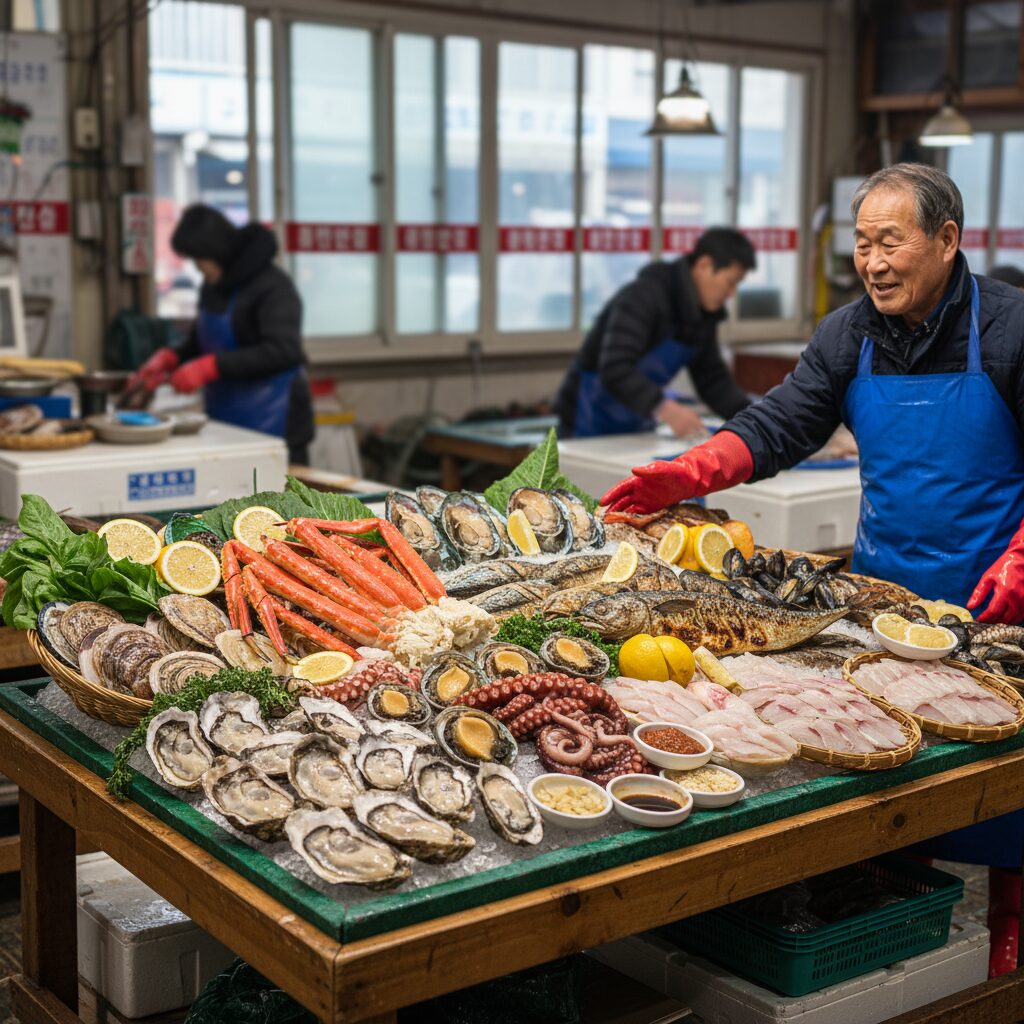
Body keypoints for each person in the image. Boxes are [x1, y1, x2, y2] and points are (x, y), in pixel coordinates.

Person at [602, 163, 1024, 976]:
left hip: (998, 599)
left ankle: (1008, 912)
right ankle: (906, 908)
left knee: (1001, 768)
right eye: (862, 244)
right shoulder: (850, 334)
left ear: (947, 241)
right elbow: (781, 421)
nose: (873, 262)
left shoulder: (1010, 327)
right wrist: (690, 472)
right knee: (894, 768)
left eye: (890, 242)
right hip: (885, 599)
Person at [130, 205, 314, 464]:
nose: (197, 267)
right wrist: (172, 355)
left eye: (199, 259)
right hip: (227, 425)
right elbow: (201, 340)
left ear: (218, 250)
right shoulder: (214, 285)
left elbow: (284, 350)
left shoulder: (273, 286)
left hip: (276, 424)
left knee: (277, 504)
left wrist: (210, 367)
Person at [555, 227, 756, 439]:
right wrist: (666, 409)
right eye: (730, 282)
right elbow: (615, 367)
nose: (732, 293)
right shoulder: (645, 296)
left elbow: (713, 381)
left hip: (635, 426)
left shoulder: (703, 316)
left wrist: (754, 421)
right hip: (584, 423)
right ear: (704, 265)